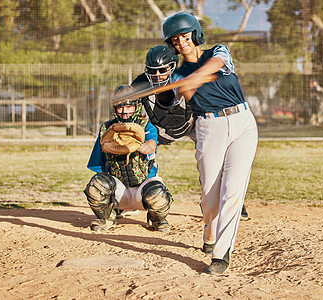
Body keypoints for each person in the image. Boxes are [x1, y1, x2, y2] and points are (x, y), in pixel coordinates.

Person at [163, 12, 258, 274]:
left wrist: (195, 77)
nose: (181, 42)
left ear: (195, 34)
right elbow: (186, 93)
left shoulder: (218, 51)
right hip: (208, 127)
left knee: (232, 190)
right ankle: (209, 232)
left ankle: (221, 254)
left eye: (185, 36)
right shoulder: (177, 75)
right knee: (211, 197)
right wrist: (185, 83)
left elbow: (216, 65)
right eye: (175, 40)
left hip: (243, 122)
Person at [84, 85, 173, 232]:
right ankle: (107, 217)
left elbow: (150, 147)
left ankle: (157, 219)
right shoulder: (107, 130)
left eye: (129, 106)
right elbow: (98, 166)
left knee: (157, 193)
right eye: (120, 107)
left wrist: (132, 143)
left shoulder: (147, 127)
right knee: (97, 185)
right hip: (120, 191)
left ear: (137, 106)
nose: (124, 111)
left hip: (143, 188)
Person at [131, 45, 194, 145]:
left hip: (190, 123)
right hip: (159, 129)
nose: (157, 75)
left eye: (162, 70)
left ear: (173, 67)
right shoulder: (141, 83)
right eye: (152, 71)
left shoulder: (184, 78)